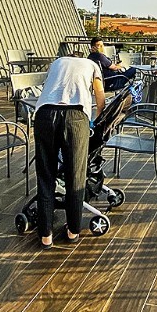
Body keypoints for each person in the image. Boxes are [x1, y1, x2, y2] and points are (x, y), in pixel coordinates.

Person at [33, 55, 105, 248]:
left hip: (44, 115)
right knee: (75, 176)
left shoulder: (57, 63)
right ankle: (73, 231)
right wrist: (97, 120)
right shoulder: (92, 65)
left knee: (46, 174)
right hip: (75, 116)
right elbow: (100, 96)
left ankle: (45, 235)